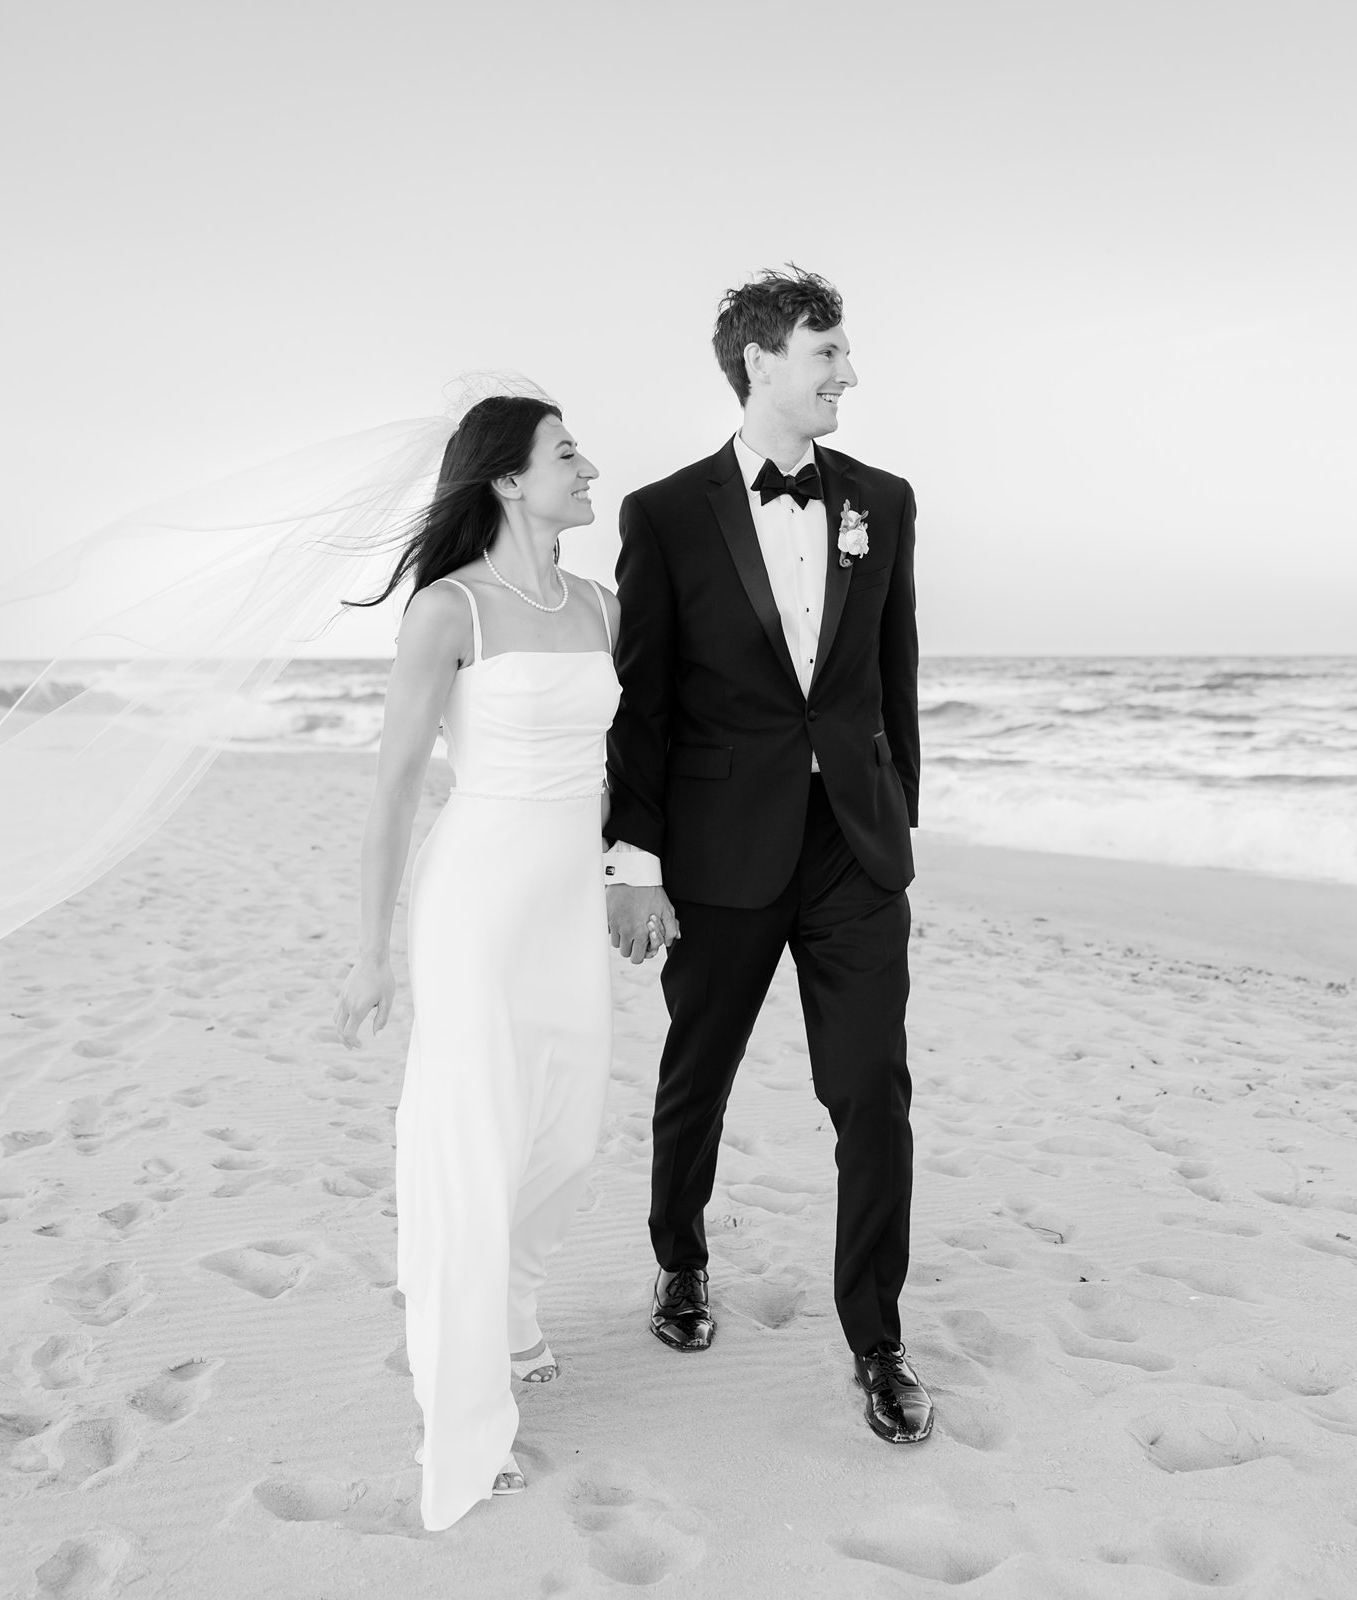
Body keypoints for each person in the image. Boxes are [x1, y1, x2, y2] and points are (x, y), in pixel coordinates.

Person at [602, 268, 932, 1444]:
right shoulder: (665, 513)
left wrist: (899, 836)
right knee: (701, 1071)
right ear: (760, 364)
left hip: (852, 849)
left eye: (844, 354)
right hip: (717, 848)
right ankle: (681, 1261)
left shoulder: (883, 503)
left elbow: (892, 685)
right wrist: (632, 858)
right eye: (827, 353)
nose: (848, 373)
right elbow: (642, 704)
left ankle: (878, 1338)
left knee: (873, 1093)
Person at [333, 393, 632, 1529]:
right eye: (567, 452)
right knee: (468, 1145)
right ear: (509, 478)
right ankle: (464, 1420)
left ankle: (511, 1303)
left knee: (564, 1134)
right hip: (474, 901)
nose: (588, 464)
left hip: (565, 900)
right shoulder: (448, 610)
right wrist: (372, 953)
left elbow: (625, 765)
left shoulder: (601, 604)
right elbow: (396, 789)